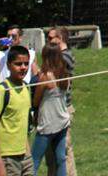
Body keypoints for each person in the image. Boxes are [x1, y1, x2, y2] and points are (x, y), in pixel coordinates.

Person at [0, 44, 33, 176]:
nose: (23, 67)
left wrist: (28, 154)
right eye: (18, 64)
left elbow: (23, 123)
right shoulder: (1, 90)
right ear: (9, 65)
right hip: (5, 157)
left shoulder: (26, 88)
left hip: (24, 156)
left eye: (26, 63)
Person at [31, 45, 71, 175]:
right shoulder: (65, 74)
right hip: (62, 120)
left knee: (34, 161)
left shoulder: (45, 76)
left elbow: (35, 101)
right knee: (61, 159)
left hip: (48, 124)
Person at [41, 27, 76, 176]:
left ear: (60, 39)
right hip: (52, 110)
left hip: (62, 109)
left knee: (63, 153)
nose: (47, 42)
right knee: (52, 156)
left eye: (50, 38)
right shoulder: (59, 57)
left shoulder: (65, 57)